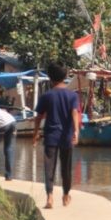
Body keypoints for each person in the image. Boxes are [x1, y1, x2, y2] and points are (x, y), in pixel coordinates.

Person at [33, 61, 80, 209]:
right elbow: (74, 113)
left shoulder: (46, 96)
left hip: (51, 135)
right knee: (66, 168)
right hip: (66, 135)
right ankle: (66, 195)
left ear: (50, 78)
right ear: (65, 76)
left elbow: (38, 117)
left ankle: (50, 197)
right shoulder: (72, 95)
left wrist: (35, 133)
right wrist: (76, 131)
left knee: (49, 167)